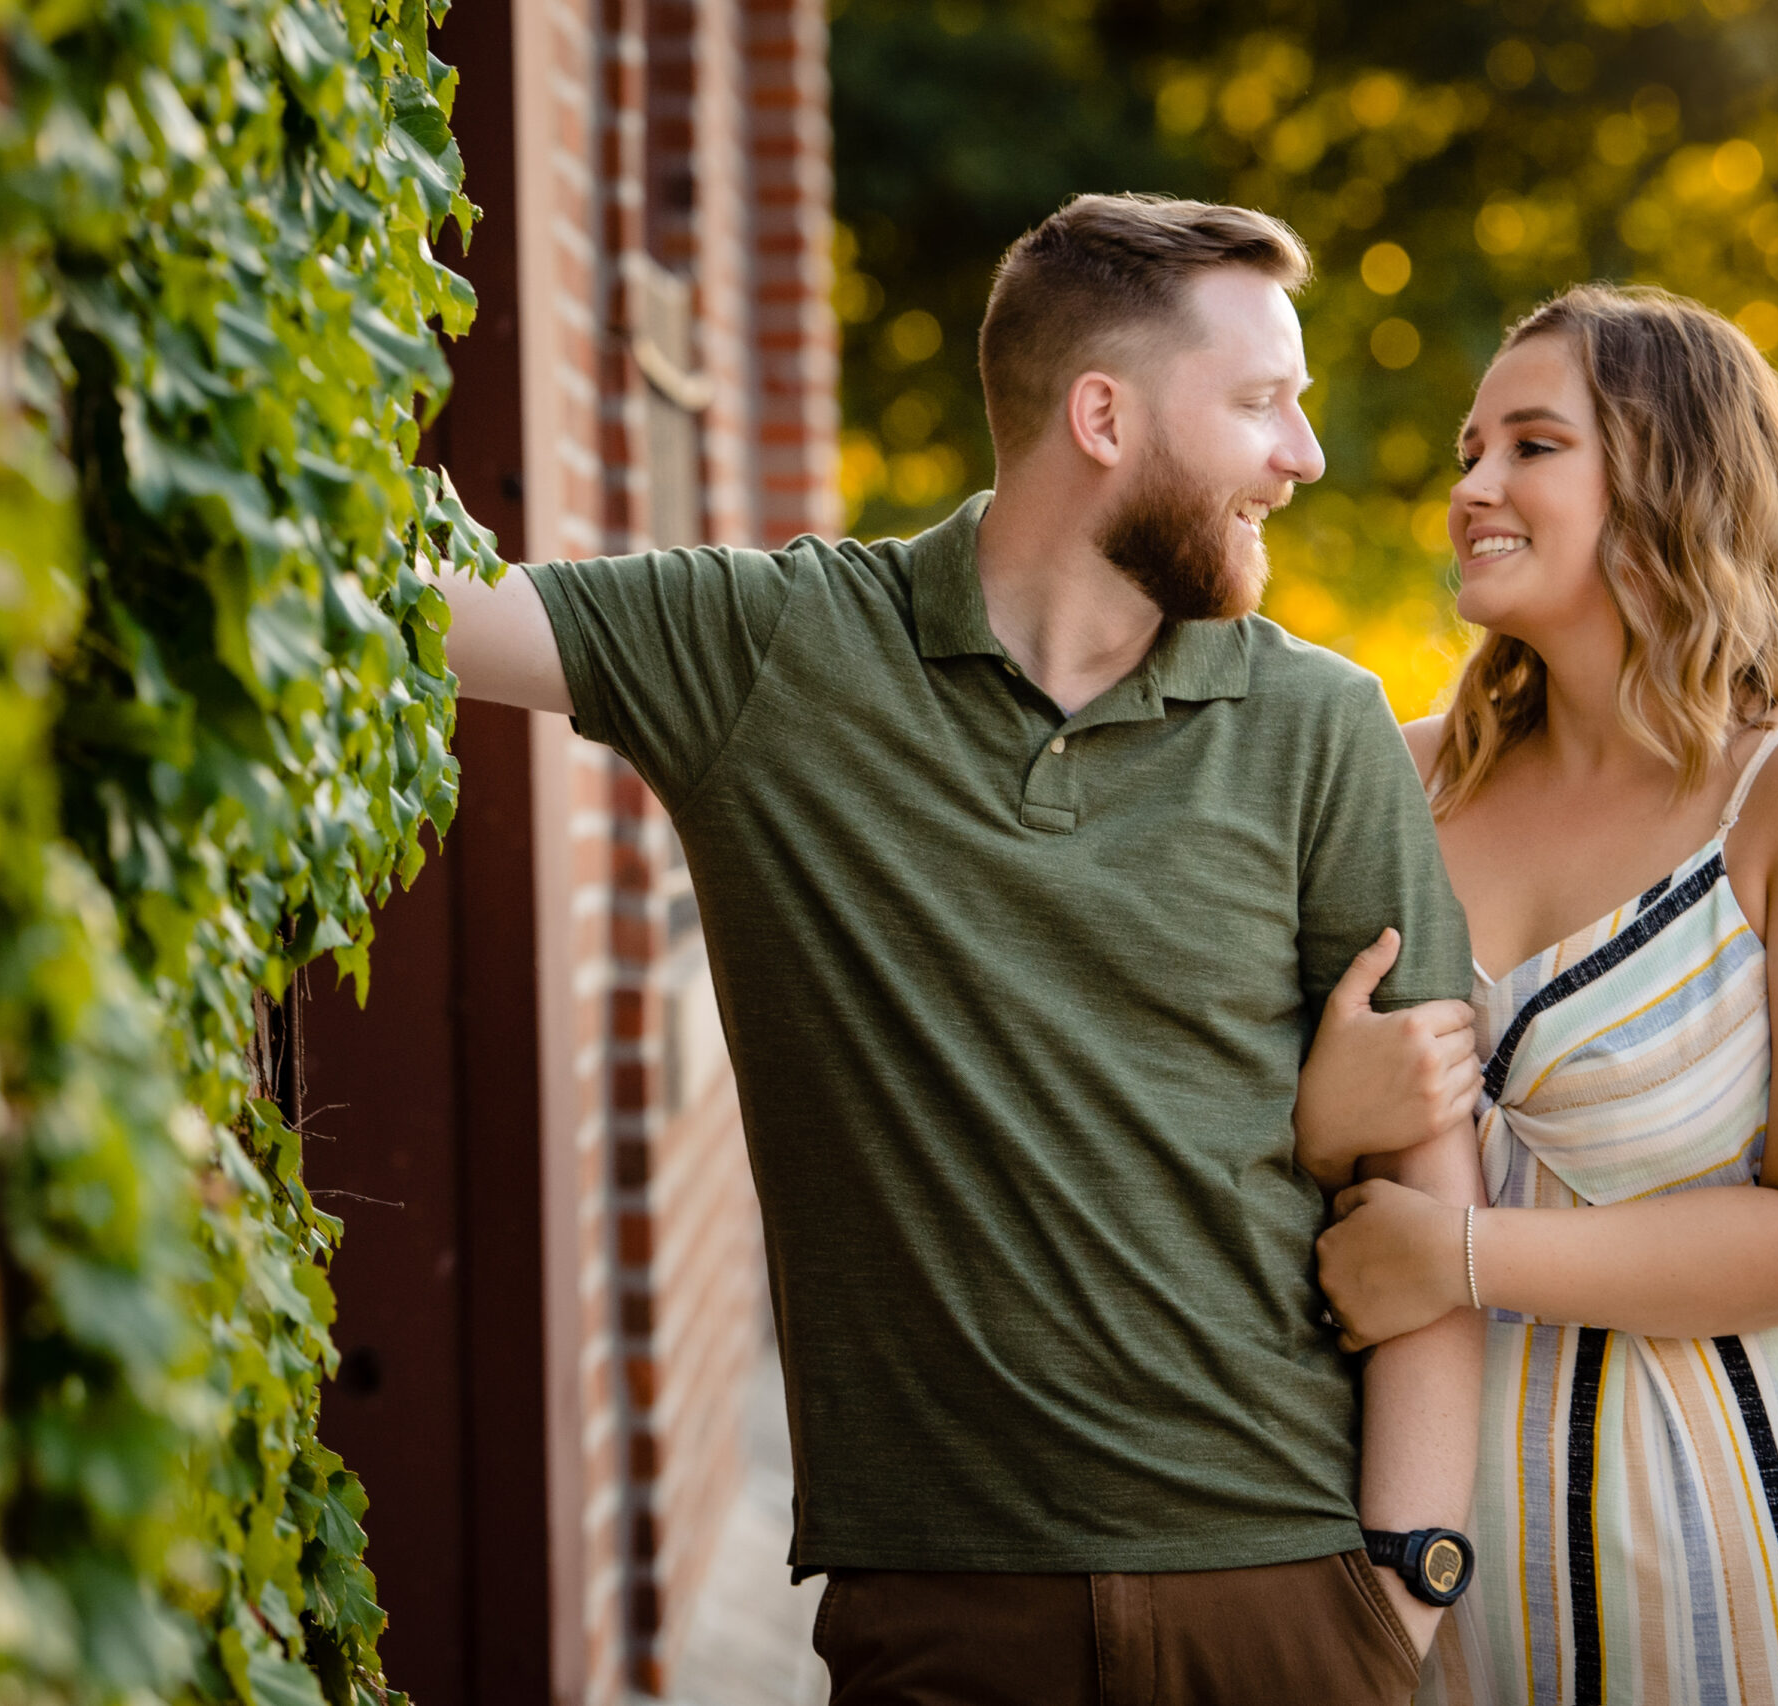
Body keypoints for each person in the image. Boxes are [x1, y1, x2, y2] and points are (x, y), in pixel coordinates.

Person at [437, 193, 1484, 1703]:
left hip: (1283, 1593)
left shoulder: (1318, 724)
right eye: (1261, 403)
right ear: (1103, 415)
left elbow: (1428, 1185)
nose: (1301, 455)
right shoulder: (778, 652)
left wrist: (1404, 1588)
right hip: (940, 1611)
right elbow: (415, 614)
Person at [1310, 284, 1778, 1706]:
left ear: (1670, 478)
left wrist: (1466, 1261)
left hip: (1741, 1570)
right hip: (1443, 1585)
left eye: (1532, 445)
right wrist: (1318, 1114)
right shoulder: (1399, 785)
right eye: (1471, 448)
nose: (1472, 485)